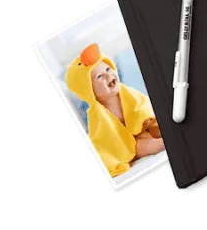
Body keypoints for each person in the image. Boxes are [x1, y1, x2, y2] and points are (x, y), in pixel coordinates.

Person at [65, 43, 165, 177]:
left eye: (108, 69)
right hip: (125, 144)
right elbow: (102, 139)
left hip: (143, 128)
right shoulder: (97, 115)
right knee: (141, 146)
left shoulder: (127, 92)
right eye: (99, 77)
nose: (107, 75)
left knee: (158, 128)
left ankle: (165, 135)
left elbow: (143, 105)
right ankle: (162, 144)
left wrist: (148, 121)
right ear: (89, 91)